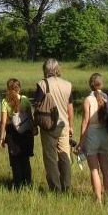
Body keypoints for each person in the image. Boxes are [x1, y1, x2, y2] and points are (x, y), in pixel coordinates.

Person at [34, 58, 74, 192]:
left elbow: (37, 106)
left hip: (48, 125)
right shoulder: (68, 84)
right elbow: (70, 108)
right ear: (57, 69)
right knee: (65, 156)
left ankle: (55, 187)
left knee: (50, 157)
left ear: (45, 69)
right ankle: (66, 186)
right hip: (64, 125)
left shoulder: (42, 84)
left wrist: (35, 124)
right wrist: (71, 126)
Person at [78, 73, 108, 204]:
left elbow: (85, 122)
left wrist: (81, 142)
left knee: (94, 169)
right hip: (105, 135)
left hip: (92, 135)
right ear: (101, 84)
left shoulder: (88, 100)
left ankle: (98, 199)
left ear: (90, 84)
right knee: (106, 168)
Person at [0, 78, 35, 189]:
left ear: (8, 89)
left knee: (15, 160)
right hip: (26, 133)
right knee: (25, 159)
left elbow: (3, 122)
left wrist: (1, 138)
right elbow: (30, 117)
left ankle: (17, 184)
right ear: (19, 88)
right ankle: (27, 183)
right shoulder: (25, 99)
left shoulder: (5, 102)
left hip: (12, 134)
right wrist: (34, 129)